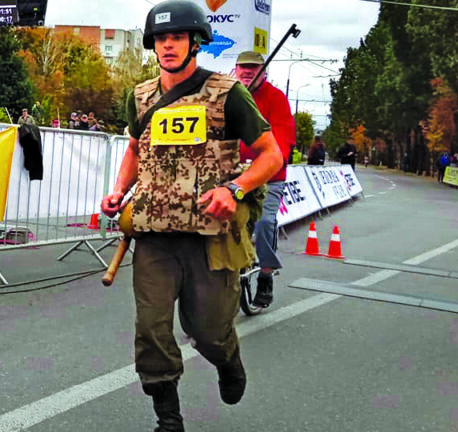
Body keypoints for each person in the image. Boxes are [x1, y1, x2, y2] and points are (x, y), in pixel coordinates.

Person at [100, 2, 281, 430]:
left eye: (177, 37)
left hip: (210, 237)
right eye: (161, 38)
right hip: (154, 235)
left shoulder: (227, 93)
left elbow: (271, 155)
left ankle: (228, 361)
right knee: (151, 331)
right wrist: (119, 190)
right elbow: (134, 148)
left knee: (209, 332)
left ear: (195, 43)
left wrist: (234, 189)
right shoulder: (140, 96)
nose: (168, 45)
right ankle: (168, 419)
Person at [233, 50, 296, 307]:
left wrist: (264, 163)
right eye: (243, 67)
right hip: (233, 175)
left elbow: (282, 142)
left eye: (254, 67)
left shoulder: (276, 98)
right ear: (236, 70)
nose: (248, 71)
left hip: (269, 177)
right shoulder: (228, 96)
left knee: (264, 222)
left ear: (264, 72)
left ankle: (266, 275)